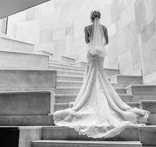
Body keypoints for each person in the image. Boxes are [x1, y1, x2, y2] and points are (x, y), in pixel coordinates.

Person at [52, 10, 150, 139]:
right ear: (99, 17)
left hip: (91, 54)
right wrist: (100, 47)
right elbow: (106, 42)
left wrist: (93, 44)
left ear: (91, 18)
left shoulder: (87, 28)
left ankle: (88, 97)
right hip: (100, 54)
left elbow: (87, 41)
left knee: (91, 73)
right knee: (100, 73)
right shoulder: (103, 28)